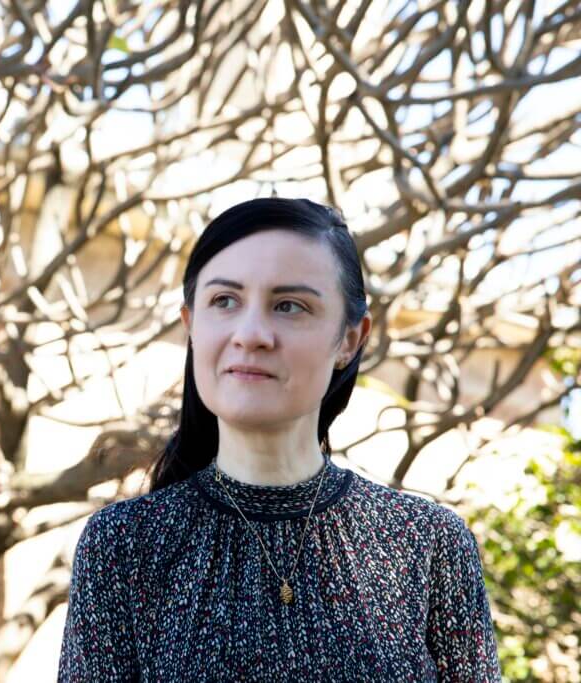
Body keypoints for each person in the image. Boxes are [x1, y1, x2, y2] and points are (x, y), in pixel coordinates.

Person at [56, 197, 501, 681]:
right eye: (224, 301)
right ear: (191, 326)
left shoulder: (428, 543)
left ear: (350, 339)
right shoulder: (124, 547)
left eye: (289, 306)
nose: (251, 334)